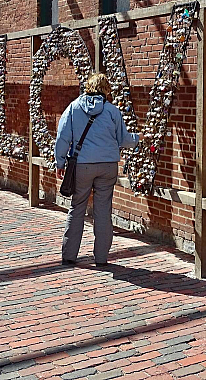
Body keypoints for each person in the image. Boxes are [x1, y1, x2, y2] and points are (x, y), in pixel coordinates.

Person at [55, 74, 141, 267]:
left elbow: (62, 137)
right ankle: (101, 258)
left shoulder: (74, 108)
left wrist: (60, 163)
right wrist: (139, 138)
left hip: (82, 165)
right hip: (108, 165)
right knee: (103, 211)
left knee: (77, 207)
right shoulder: (112, 111)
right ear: (105, 89)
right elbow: (124, 139)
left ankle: (69, 255)